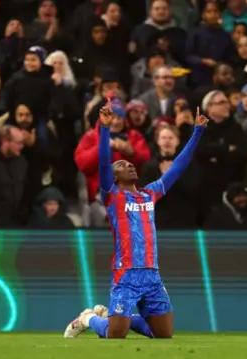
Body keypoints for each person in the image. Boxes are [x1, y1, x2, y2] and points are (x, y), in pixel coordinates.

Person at [63, 98, 208, 339]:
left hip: (152, 273)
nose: (129, 166)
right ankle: (89, 318)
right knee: (115, 334)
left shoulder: (150, 193)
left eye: (130, 164)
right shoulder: (112, 195)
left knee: (163, 334)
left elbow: (178, 167)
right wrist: (106, 128)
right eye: (122, 165)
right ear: (114, 176)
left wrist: (197, 133)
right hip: (126, 273)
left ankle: (114, 315)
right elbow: (102, 162)